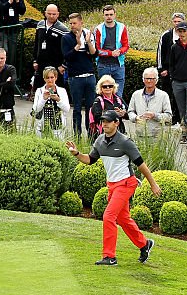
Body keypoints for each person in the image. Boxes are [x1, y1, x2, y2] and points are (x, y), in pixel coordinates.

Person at [68, 111, 161, 266]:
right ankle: (144, 244)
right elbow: (89, 160)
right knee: (123, 219)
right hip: (112, 185)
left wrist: (153, 184)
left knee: (109, 216)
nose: (104, 124)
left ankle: (109, 256)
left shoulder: (125, 142)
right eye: (103, 121)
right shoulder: (99, 141)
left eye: (108, 121)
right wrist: (76, 153)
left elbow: (141, 165)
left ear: (116, 123)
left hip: (126, 184)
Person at [61, 12, 97, 137]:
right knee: (77, 108)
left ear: (81, 22)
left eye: (74, 23)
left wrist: (88, 43)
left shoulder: (88, 34)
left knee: (90, 107)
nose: (72, 26)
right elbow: (67, 57)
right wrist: (77, 45)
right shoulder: (66, 38)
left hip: (89, 76)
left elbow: (93, 54)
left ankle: (91, 133)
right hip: (75, 78)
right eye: (70, 23)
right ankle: (77, 134)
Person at [94, 5, 130, 99]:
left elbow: (126, 45)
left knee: (118, 96)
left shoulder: (122, 27)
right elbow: (96, 50)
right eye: (106, 15)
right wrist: (111, 53)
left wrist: (120, 51)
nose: (109, 17)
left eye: (111, 14)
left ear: (115, 15)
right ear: (103, 16)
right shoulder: (98, 29)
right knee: (103, 95)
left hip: (118, 64)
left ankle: (117, 113)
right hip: (103, 65)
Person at [127, 67, 172, 140]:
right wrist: (136, 118)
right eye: (146, 78)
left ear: (156, 80)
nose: (148, 81)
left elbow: (169, 116)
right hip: (139, 134)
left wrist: (155, 115)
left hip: (157, 136)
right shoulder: (136, 94)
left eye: (151, 79)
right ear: (143, 80)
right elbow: (130, 112)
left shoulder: (163, 95)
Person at [32, 66, 70, 138]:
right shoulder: (39, 90)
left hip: (58, 126)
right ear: (44, 79)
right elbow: (36, 109)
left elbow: (67, 109)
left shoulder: (62, 91)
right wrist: (43, 99)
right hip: (42, 126)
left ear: (56, 77)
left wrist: (58, 100)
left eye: (52, 77)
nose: (50, 80)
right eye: (47, 78)